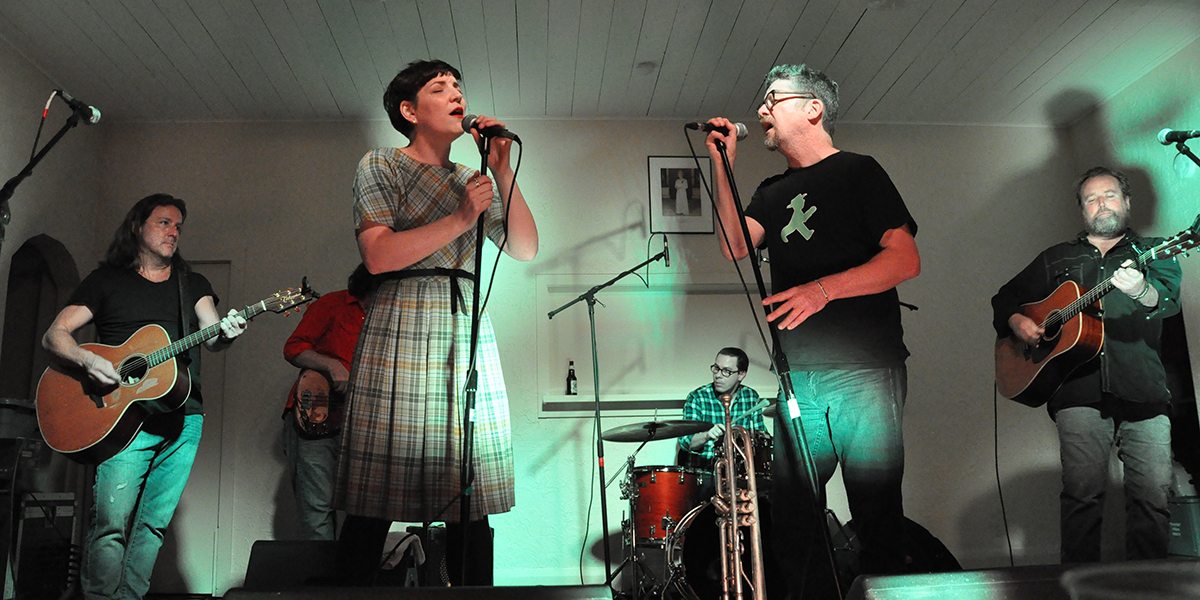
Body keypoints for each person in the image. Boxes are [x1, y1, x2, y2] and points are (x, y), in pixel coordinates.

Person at [703, 64, 920, 599]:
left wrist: (822, 289)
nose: (761, 110)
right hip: (801, 380)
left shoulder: (858, 172)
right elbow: (736, 245)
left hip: (865, 373)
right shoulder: (772, 190)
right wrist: (722, 166)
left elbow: (905, 259)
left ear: (813, 108)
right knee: (794, 524)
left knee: (876, 517)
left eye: (772, 98)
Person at [334, 59, 538, 586]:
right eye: (439, 88)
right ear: (409, 110)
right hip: (400, 319)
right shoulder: (381, 163)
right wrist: (460, 219)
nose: (457, 96)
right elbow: (377, 256)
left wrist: (502, 169)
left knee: (468, 486)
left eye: (459, 88)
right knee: (374, 489)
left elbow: (525, 247)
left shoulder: (473, 179)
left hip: (464, 325)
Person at [41, 194, 247, 600]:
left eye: (178, 227)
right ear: (137, 226)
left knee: (152, 524)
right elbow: (54, 336)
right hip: (119, 417)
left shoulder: (194, 284)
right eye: (165, 223)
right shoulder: (105, 281)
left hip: (183, 415)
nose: (174, 232)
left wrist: (229, 331)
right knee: (111, 523)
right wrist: (86, 359)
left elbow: (215, 336)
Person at [992, 166, 1180, 563]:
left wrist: (1142, 289)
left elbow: (1167, 302)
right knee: (1082, 499)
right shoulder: (1058, 258)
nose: (1102, 204)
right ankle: (1076, 588)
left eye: (1110, 195)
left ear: (1127, 202)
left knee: (1153, 499)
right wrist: (1019, 323)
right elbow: (1004, 299)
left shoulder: (1157, 249)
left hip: (1144, 391)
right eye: (1091, 199)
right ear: (1082, 210)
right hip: (1077, 392)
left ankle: (1148, 590)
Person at [280, 264, 374, 541]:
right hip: (316, 417)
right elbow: (293, 348)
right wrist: (332, 366)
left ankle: (350, 581)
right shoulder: (333, 303)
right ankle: (319, 582)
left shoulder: (395, 318)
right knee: (316, 508)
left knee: (364, 512)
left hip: (364, 424)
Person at [678, 347, 767, 465]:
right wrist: (707, 436)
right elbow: (685, 442)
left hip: (739, 471)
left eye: (726, 371)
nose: (718, 375)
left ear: (741, 375)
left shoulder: (750, 396)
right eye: (716, 369)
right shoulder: (698, 397)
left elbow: (759, 438)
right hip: (704, 472)